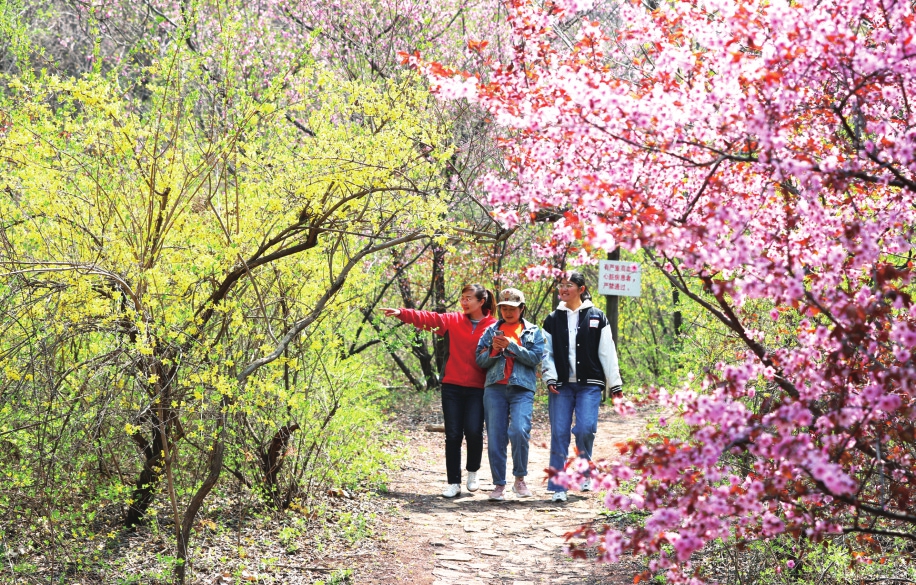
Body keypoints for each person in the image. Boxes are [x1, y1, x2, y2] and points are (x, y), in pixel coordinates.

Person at [380, 284, 497, 498]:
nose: (464, 302)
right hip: (452, 386)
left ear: (481, 301)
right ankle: (454, 482)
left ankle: (472, 472)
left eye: (469, 298)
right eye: (462, 297)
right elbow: (428, 318)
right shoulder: (453, 320)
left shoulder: (493, 326)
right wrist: (401, 313)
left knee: (473, 431)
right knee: (453, 434)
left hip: (478, 388)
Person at [542, 272, 622, 502]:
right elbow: (547, 353)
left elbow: (607, 352)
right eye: (561, 285)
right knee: (559, 432)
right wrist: (550, 377)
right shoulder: (552, 319)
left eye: (569, 285)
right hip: (561, 385)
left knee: (586, 428)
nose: (564, 289)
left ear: (581, 289)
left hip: (590, 384)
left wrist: (615, 384)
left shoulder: (597, 316)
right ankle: (559, 485)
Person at [475, 288, 546, 501]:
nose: (508, 312)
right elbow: (480, 360)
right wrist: (494, 351)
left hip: (522, 388)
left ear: (522, 308)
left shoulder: (533, 331)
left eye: (512, 308)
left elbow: (535, 358)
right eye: (504, 308)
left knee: (519, 431)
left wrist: (512, 346)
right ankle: (499, 484)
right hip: (495, 388)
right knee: (496, 436)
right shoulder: (490, 331)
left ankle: (520, 479)